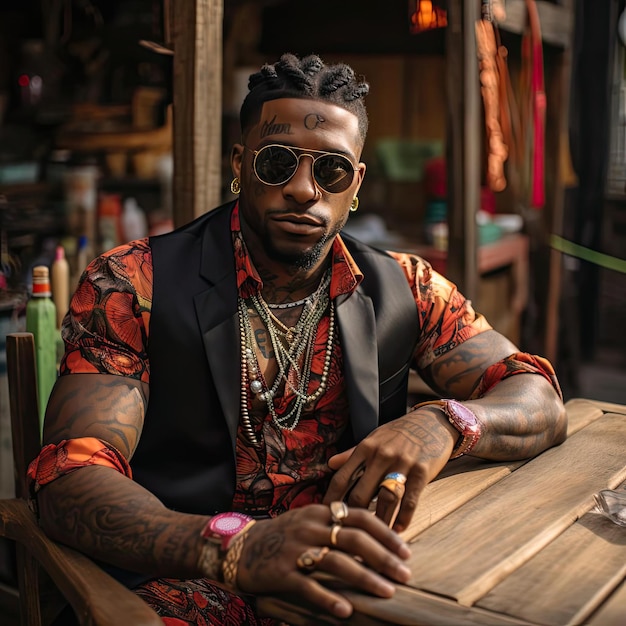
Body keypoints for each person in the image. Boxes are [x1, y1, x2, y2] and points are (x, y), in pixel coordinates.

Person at [28, 53, 567, 625]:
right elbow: (70, 477)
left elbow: (538, 398)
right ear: (241, 163)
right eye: (277, 164)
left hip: (339, 581)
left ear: (355, 183)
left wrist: (444, 422)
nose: (304, 190)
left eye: (331, 171)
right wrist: (232, 547)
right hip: (184, 578)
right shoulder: (134, 281)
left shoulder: (407, 287)